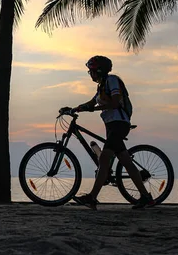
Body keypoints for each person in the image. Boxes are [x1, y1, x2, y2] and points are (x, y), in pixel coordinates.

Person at [64, 55, 155, 210]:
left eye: (91, 71)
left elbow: (114, 102)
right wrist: (73, 109)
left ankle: (92, 198)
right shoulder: (101, 86)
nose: (90, 74)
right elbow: (91, 103)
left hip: (119, 124)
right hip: (112, 126)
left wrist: (94, 108)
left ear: (99, 70)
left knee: (105, 158)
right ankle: (146, 197)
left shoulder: (111, 80)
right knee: (125, 161)